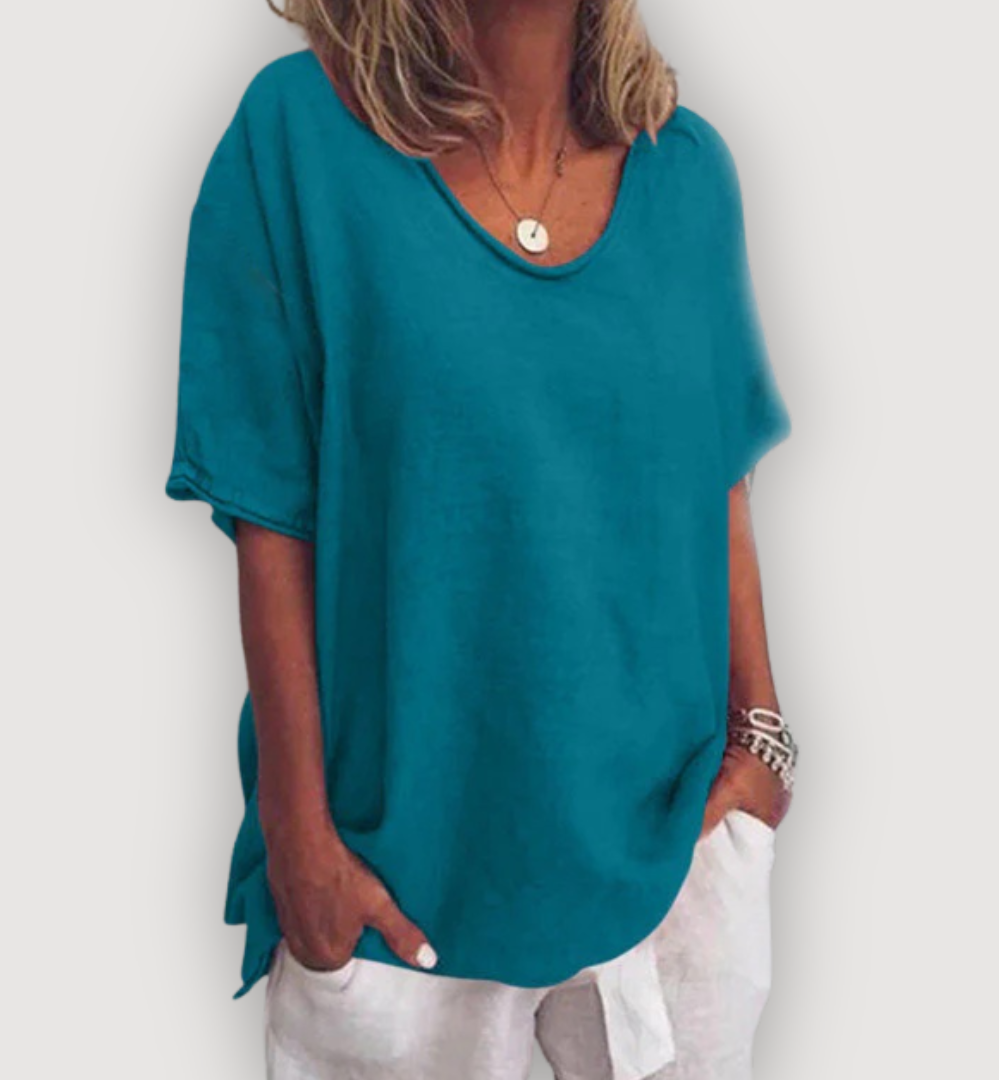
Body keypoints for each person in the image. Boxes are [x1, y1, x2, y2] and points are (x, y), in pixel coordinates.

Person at [163, 1, 798, 1077]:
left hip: (675, 865)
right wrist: (299, 842)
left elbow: (720, 478)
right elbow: (271, 515)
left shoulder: (686, 172)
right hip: (397, 891)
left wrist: (763, 744)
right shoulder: (297, 138)